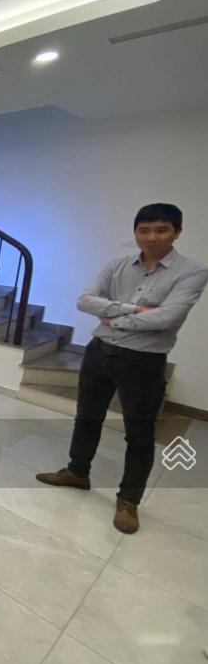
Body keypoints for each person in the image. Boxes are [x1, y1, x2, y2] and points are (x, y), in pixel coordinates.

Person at [36, 203, 208, 534]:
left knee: (140, 435)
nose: (152, 237)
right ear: (135, 232)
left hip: (143, 361)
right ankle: (77, 472)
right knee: (87, 418)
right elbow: (85, 301)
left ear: (177, 232)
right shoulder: (117, 265)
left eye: (161, 230)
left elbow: (167, 318)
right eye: (144, 230)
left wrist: (112, 317)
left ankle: (128, 501)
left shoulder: (192, 272)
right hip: (99, 352)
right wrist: (134, 310)